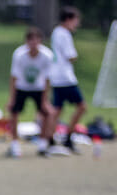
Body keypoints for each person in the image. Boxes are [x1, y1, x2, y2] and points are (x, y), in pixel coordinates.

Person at [6, 27, 54, 158]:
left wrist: (45, 100)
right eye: (30, 40)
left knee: (47, 113)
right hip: (22, 87)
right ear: (26, 42)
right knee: (14, 112)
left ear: (40, 41)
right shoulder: (19, 54)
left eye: (36, 40)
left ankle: (43, 145)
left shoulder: (47, 55)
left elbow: (47, 79)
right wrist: (12, 98)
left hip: (39, 88)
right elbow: (14, 77)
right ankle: (15, 145)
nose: (33, 43)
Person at [48, 6, 87, 154]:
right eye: (76, 20)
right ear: (69, 19)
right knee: (81, 106)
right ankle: (67, 138)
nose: (77, 24)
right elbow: (71, 56)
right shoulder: (64, 34)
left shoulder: (56, 32)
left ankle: (51, 140)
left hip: (56, 77)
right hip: (65, 77)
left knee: (57, 110)